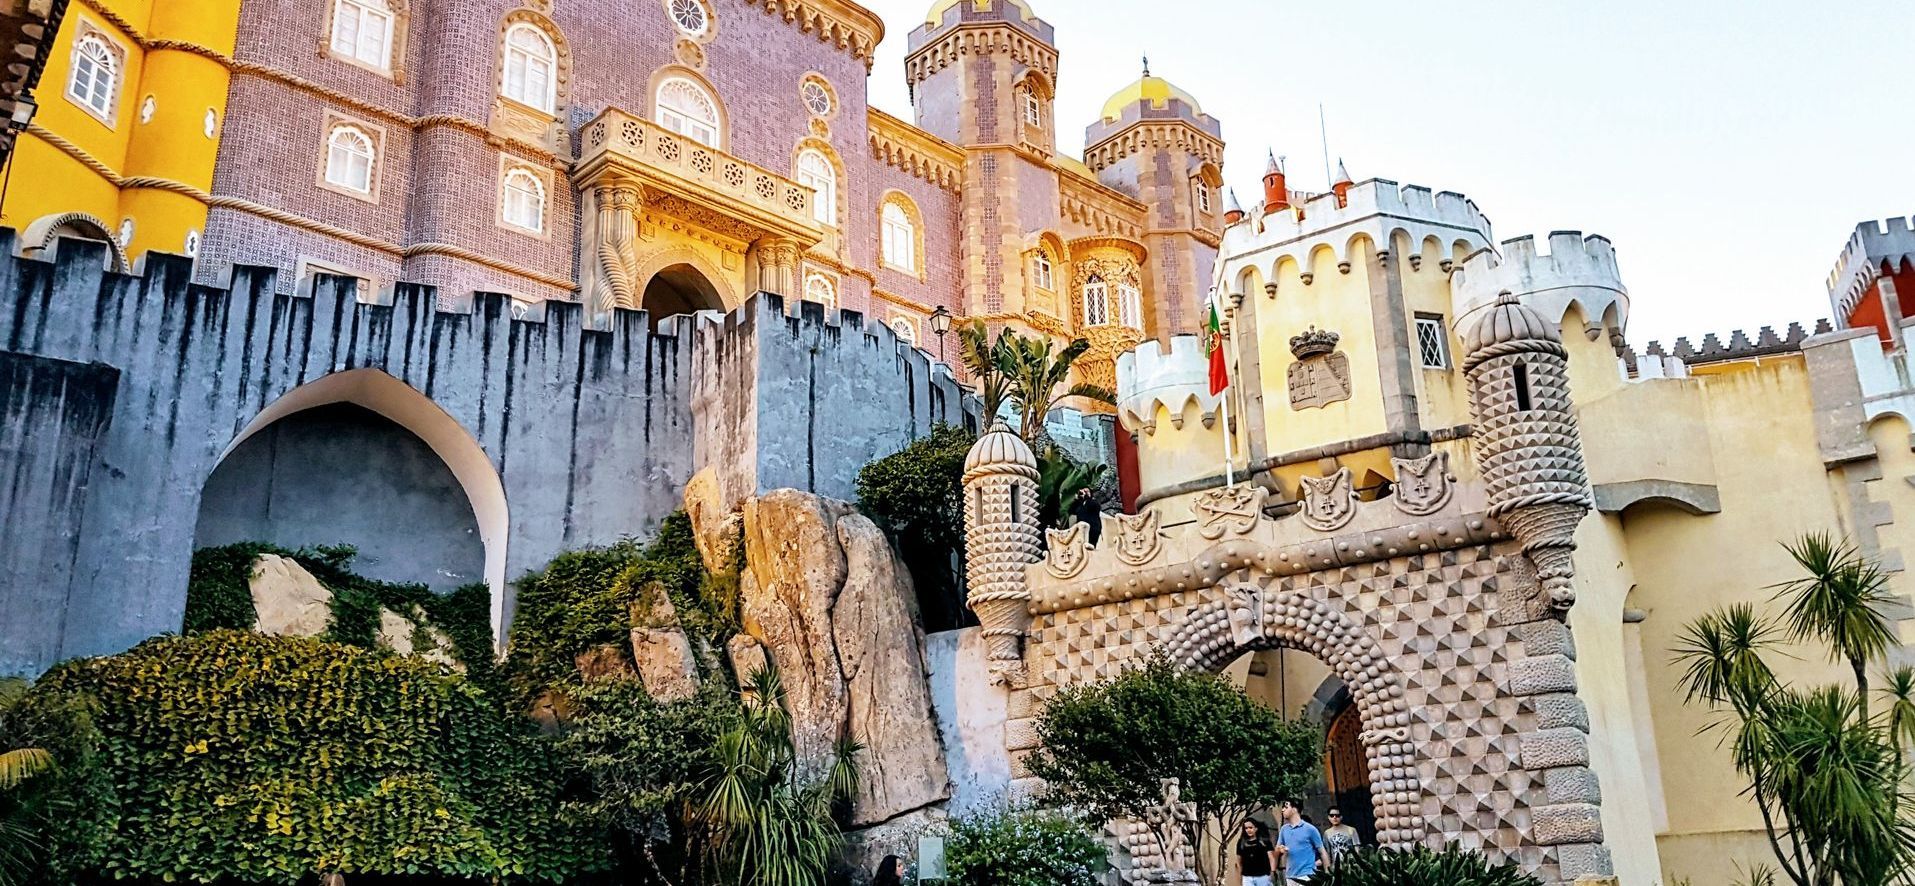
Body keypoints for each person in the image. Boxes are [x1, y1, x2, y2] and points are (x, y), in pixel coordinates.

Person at [1276, 798, 1329, 884]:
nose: (1282, 810)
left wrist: (1327, 874)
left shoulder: (1310, 829)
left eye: (1286, 807)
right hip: (1290, 876)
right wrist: (1280, 850)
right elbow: (1277, 850)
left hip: (1308, 876)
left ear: (1294, 809)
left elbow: (1322, 852)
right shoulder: (1283, 829)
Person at [1233, 819, 1278, 886]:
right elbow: (1239, 861)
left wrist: (1273, 872)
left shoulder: (1264, 842)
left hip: (1263, 876)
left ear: (1256, 828)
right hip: (1247, 877)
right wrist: (1240, 876)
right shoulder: (1241, 842)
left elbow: (1271, 858)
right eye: (1246, 828)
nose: (1248, 830)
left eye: (1251, 827)